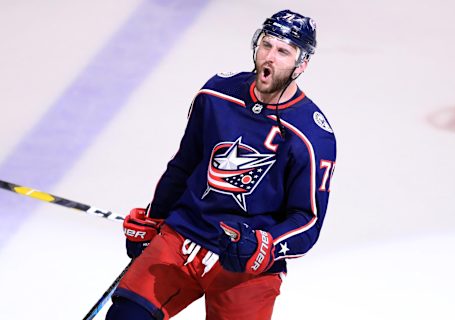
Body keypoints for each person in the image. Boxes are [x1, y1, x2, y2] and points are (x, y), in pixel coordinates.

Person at [106, 9, 336, 320]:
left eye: (283, 51)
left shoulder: (311, 136)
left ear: (301, 64)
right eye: (267, 45)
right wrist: (153, 218)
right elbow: (184, 165)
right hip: (183, 236)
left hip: (246, 263)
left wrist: (265, 244)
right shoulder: (216, 93)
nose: (270, 57)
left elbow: (307, 220)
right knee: (125, 316)